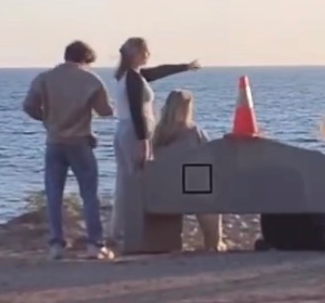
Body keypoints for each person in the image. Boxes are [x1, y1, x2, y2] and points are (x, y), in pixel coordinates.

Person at [22, 40, 115, 261]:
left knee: (54, 195)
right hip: (80, 141)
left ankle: (56, 245)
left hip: (54, 142)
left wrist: (47, 119)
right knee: (89, 194)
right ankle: (95, 245)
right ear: (86, 59)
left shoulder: (45, 78)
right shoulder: (91, 80)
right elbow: (105, 111)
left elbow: (28, 106)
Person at [109, 37, 201, 245]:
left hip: (127, 130)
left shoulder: (133, 75)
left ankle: (119, 229)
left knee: (126, 179)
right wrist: (143, 139)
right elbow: (136, 110)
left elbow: (158, 72)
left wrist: (185, 67)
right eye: (145, 51)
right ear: (136, 53)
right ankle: (126, 230)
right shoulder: (132, 78)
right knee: (134, 180)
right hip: (133, 132)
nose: (148, 55)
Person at [151, 90, 225, 251]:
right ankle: (214, 242)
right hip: (192, 191)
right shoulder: (194, 132)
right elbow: (212, 155)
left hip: (163, 192)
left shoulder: (158, 134)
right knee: (208, 193)